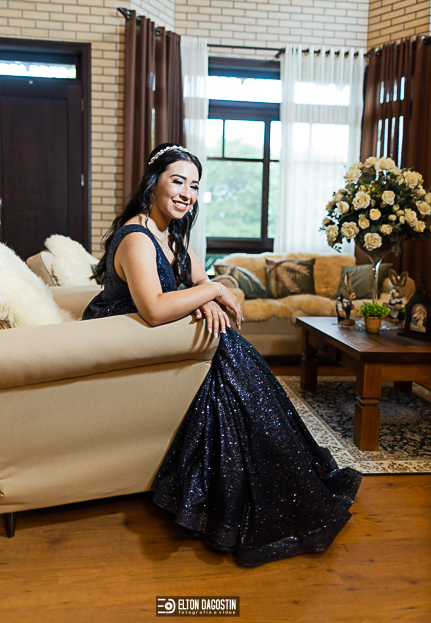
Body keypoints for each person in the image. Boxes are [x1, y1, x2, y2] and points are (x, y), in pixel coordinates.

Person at [83, 143, 362, 567]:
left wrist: (206, 296)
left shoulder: (171, 233)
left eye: (194, 186)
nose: (187, 193)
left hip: (162, 341)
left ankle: (273, 477)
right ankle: (250, 491)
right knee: (230, 354)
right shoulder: (137, 237)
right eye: (177, 181)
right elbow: (155, 309)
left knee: (230, 350)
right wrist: (212, 293)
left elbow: (198, 279)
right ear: (152, 184)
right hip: (130, 343)